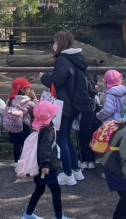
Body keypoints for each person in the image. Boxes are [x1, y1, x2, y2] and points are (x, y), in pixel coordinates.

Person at [40, 30, 93, 186]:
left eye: (55, 42)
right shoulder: (76, 58)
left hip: (63, 105)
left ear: (60, 43)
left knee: (61, 140)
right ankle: (75, 170)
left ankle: (68, 174)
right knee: (67, 138)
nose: (54, 45)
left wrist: (43, 77)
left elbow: (56, 81)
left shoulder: (63, 60)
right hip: (73, 104)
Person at [20, 101, 77, 219]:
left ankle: (28, 214)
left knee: (39, 190)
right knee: (56, 191)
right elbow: (45, 148)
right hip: (47, 167)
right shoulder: (49, 130)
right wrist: (46, 165)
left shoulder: (39, 128)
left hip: (40, 166)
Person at [7, 78, 37, 165]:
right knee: (25, 144)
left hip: (12, 125)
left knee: (16, 145)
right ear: (22, 89)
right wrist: (34, 97)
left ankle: (16, 162)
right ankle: (24, 163)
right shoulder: (27, 100)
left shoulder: (10, 99)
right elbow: (37, 109)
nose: (29, 89)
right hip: (24, 125)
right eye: (28, 87)